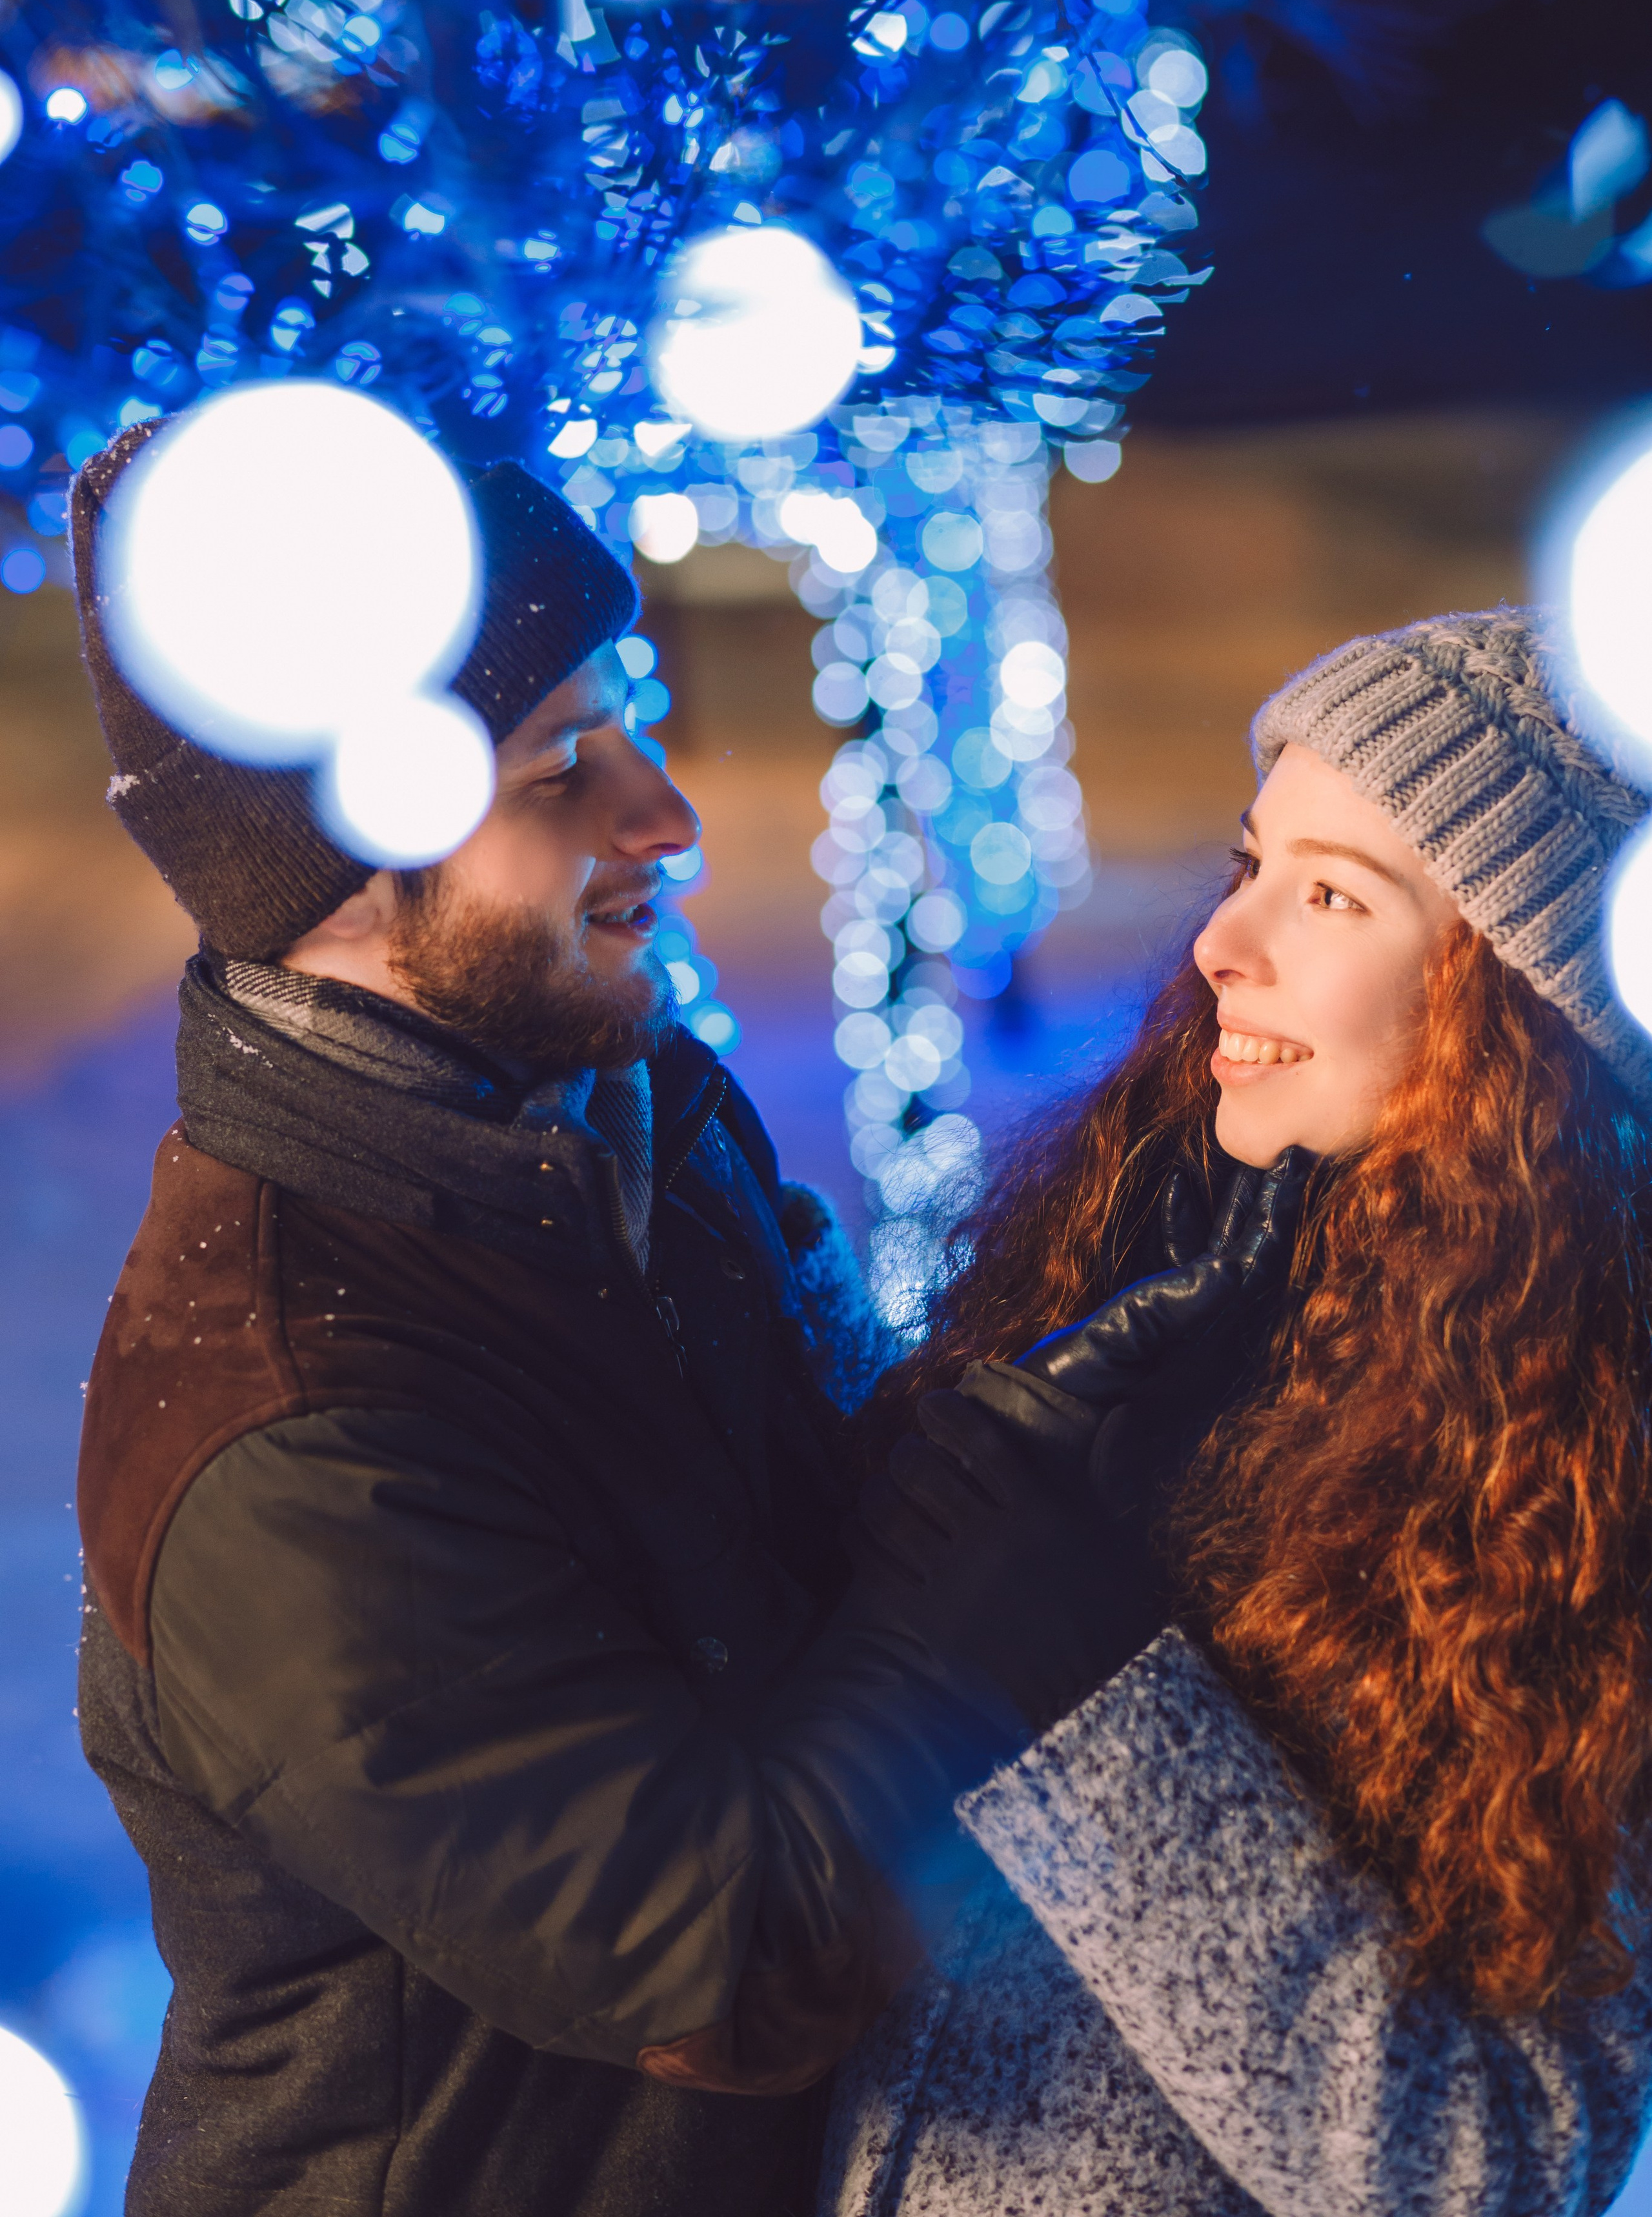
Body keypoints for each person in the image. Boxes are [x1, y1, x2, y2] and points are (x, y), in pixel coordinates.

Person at [70, 418, 1172, 2217]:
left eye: (631, 718)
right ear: (350, 851)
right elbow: (725, 1964)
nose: (666, 811)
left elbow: (815, 1525)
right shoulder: (288, 1422)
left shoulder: (615, 1107)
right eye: (562, 766)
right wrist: (1012, 1560)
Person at [825, 607, 1652, 2216]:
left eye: (1333, 895)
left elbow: (1481, 2160)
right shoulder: (1150, 1268)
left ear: (1523, 1011)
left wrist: (1094, 1696)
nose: (1223, 943)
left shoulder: (1596, 1479)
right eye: (1248, 862)